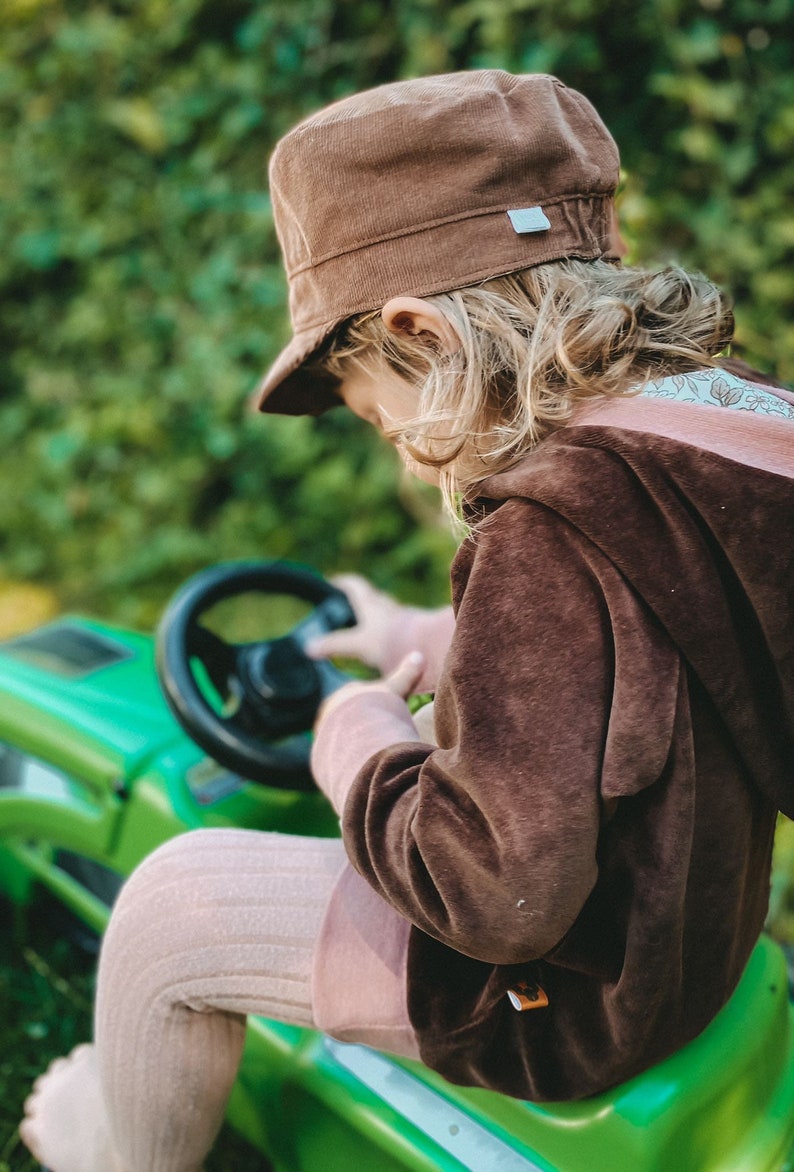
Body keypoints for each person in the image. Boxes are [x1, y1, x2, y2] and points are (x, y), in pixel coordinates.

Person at [21, 70, 794, 1172]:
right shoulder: (707, 437)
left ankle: (108, 1146)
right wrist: (412, 637)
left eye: (374, 414)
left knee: (167, 909)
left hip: (574, 996)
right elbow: (623, 671)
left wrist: (356, 736)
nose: (390, 441)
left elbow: (491, 886)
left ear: (420, 333)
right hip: (688, 931)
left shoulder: (546, 537)